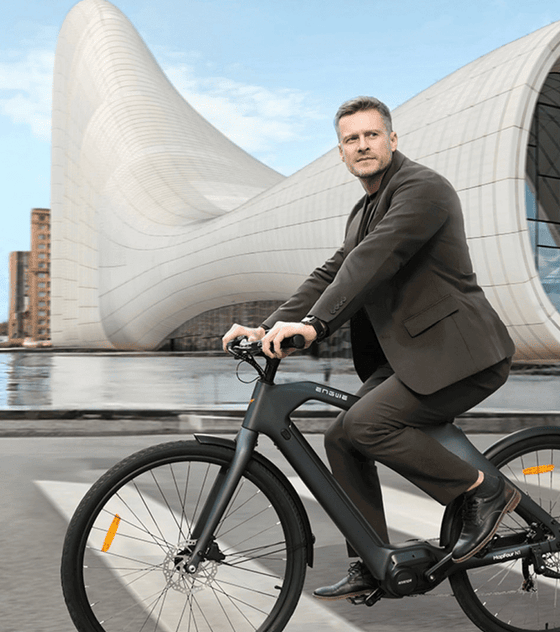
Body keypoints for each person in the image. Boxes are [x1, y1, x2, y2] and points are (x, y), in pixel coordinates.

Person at [222, 95, 520, 599]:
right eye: (351, 139)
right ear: (341, 152)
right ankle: (373, 559)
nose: (362, 145)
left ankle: (486, 491)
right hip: (413, 358)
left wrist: (315, 325)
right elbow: (332, 272)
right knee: (341, 437)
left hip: (461, 355)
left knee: (365, 424)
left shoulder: (423, 189)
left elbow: (374, 260)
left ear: (392, 140)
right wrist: (266, 327)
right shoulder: (363, 210)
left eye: (371, 135)